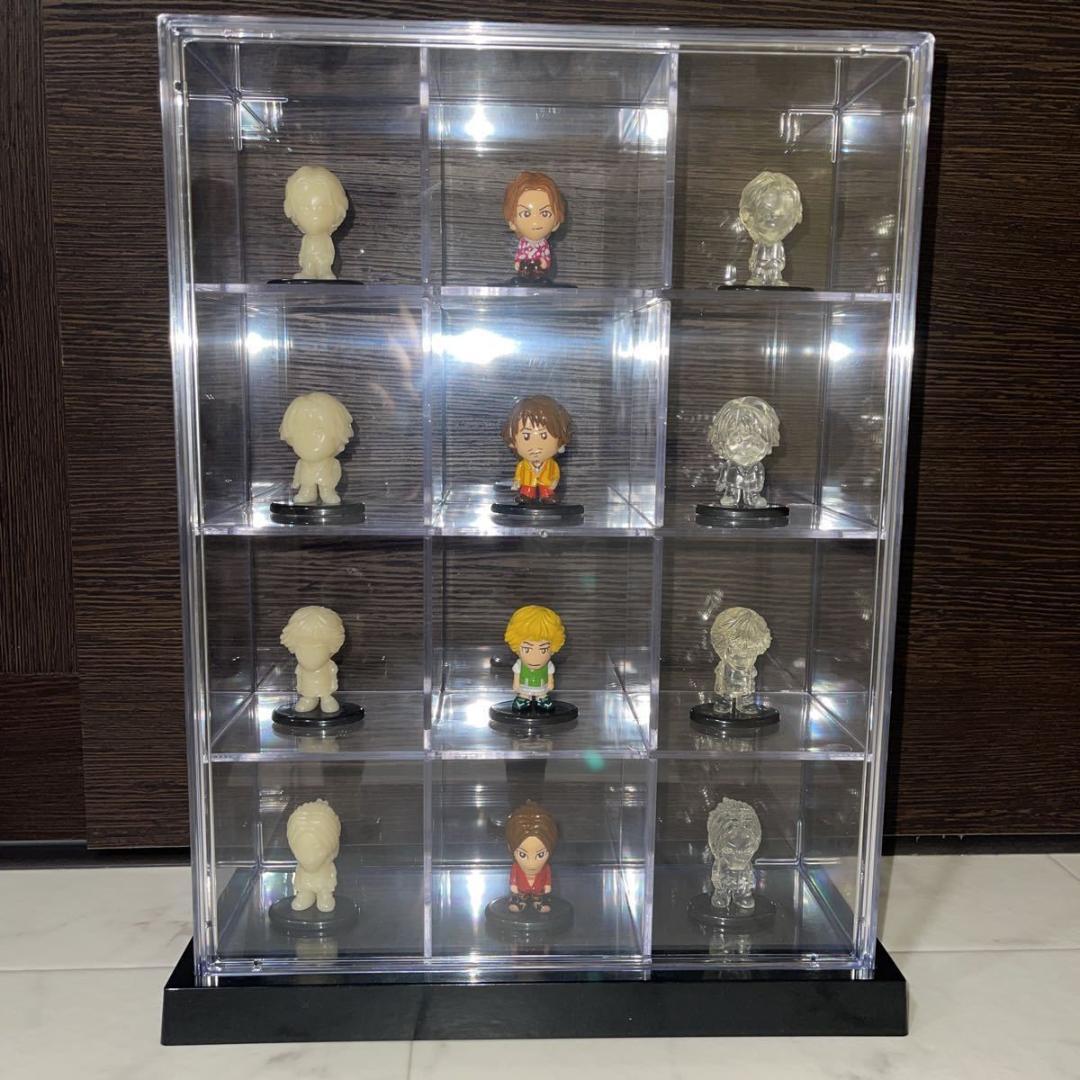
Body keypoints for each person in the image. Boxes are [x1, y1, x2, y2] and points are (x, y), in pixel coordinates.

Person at [500, 394, 573, 504]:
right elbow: (518, 475)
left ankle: (547, 496)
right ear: (512, 441)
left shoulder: (552, 464)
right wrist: (517, 482)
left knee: (546, 490)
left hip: (546, 483)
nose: (535, 446)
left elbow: (555, 474)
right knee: (527, 489)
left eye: (544, 436)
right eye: (526, 436)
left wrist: (554, 481)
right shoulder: (523, 464)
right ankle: (527, 495)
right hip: (528, 483)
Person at [503, 604, 567, 715]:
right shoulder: (519, 665)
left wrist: (550, 684)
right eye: (527, 649)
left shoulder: (548, 666)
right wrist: (516, 685)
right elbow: (517, 676)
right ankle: (524, 699)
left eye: (543, 650)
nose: (535, 657)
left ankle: (541, 700)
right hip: (524, 688)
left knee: (543, 697)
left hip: (542, 688)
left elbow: (550, 677)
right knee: (523, 697)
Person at [503, 171, 566, 281]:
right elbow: (519, 254)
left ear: (556, 223)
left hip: (539, 267)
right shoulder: (523, 243)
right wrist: (518, 262)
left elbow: (546, 255)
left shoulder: (543, 244)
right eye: (526, 214)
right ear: (512, 223)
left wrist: (544, 262)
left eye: (545, 214)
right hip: (525, 266)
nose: (535, 222)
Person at [505, 801, 559, 913]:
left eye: (540, 855)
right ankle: (520, 902)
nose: (531, 864)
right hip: (522, 888)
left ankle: (538, 902)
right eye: (522, 855)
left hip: (538, 888)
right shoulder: (516, 866)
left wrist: (547, 884)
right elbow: (513, 876)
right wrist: (513, 884)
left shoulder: (545, 867)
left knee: (538, 896)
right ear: (511, 848)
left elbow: (548, 877)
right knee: (521, 896)